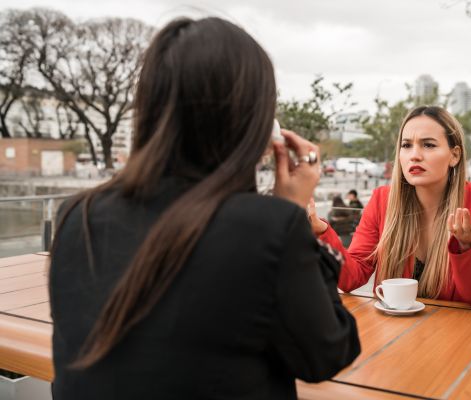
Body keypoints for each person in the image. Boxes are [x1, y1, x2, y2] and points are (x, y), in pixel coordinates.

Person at [49, 17, 359, 400]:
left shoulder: (76, 215)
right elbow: (327, 354)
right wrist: (293, 214)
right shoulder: (266, 228)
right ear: (253, 120)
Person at [309, 106, 471, 307]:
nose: (414, 155)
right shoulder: (382, 200)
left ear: (454, 155)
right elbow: (352, 278)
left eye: (428, 145)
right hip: (396, 331)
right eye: (406, 145)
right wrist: (320, 230)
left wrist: (469, 248)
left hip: (462, 332)